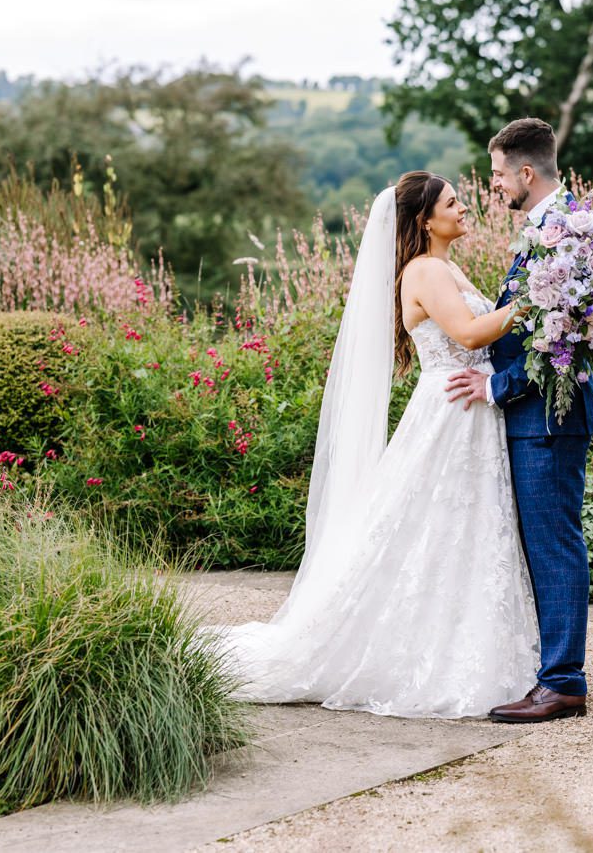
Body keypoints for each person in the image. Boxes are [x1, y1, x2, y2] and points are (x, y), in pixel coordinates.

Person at [208, 171, 539, 719]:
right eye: (452, 203)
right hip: (451, 413)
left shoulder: (446, 266)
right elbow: (469, 334)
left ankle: (462, 643)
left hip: (471, 408)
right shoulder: (425, 270)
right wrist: (540, 296)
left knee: (460, 529)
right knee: (433, 526)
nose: (464, 208)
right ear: (424, 220)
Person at [446, 117, 593, 723]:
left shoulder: (563, 235)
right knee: (545, 547)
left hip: (547, 420)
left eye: (497, 174)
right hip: (536, 419)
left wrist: (494, 385)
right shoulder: (554, 228)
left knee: (554, 548)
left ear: (526, 172)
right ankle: (550, 672)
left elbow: (558, 342)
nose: (493, 184)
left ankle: (562, 683)